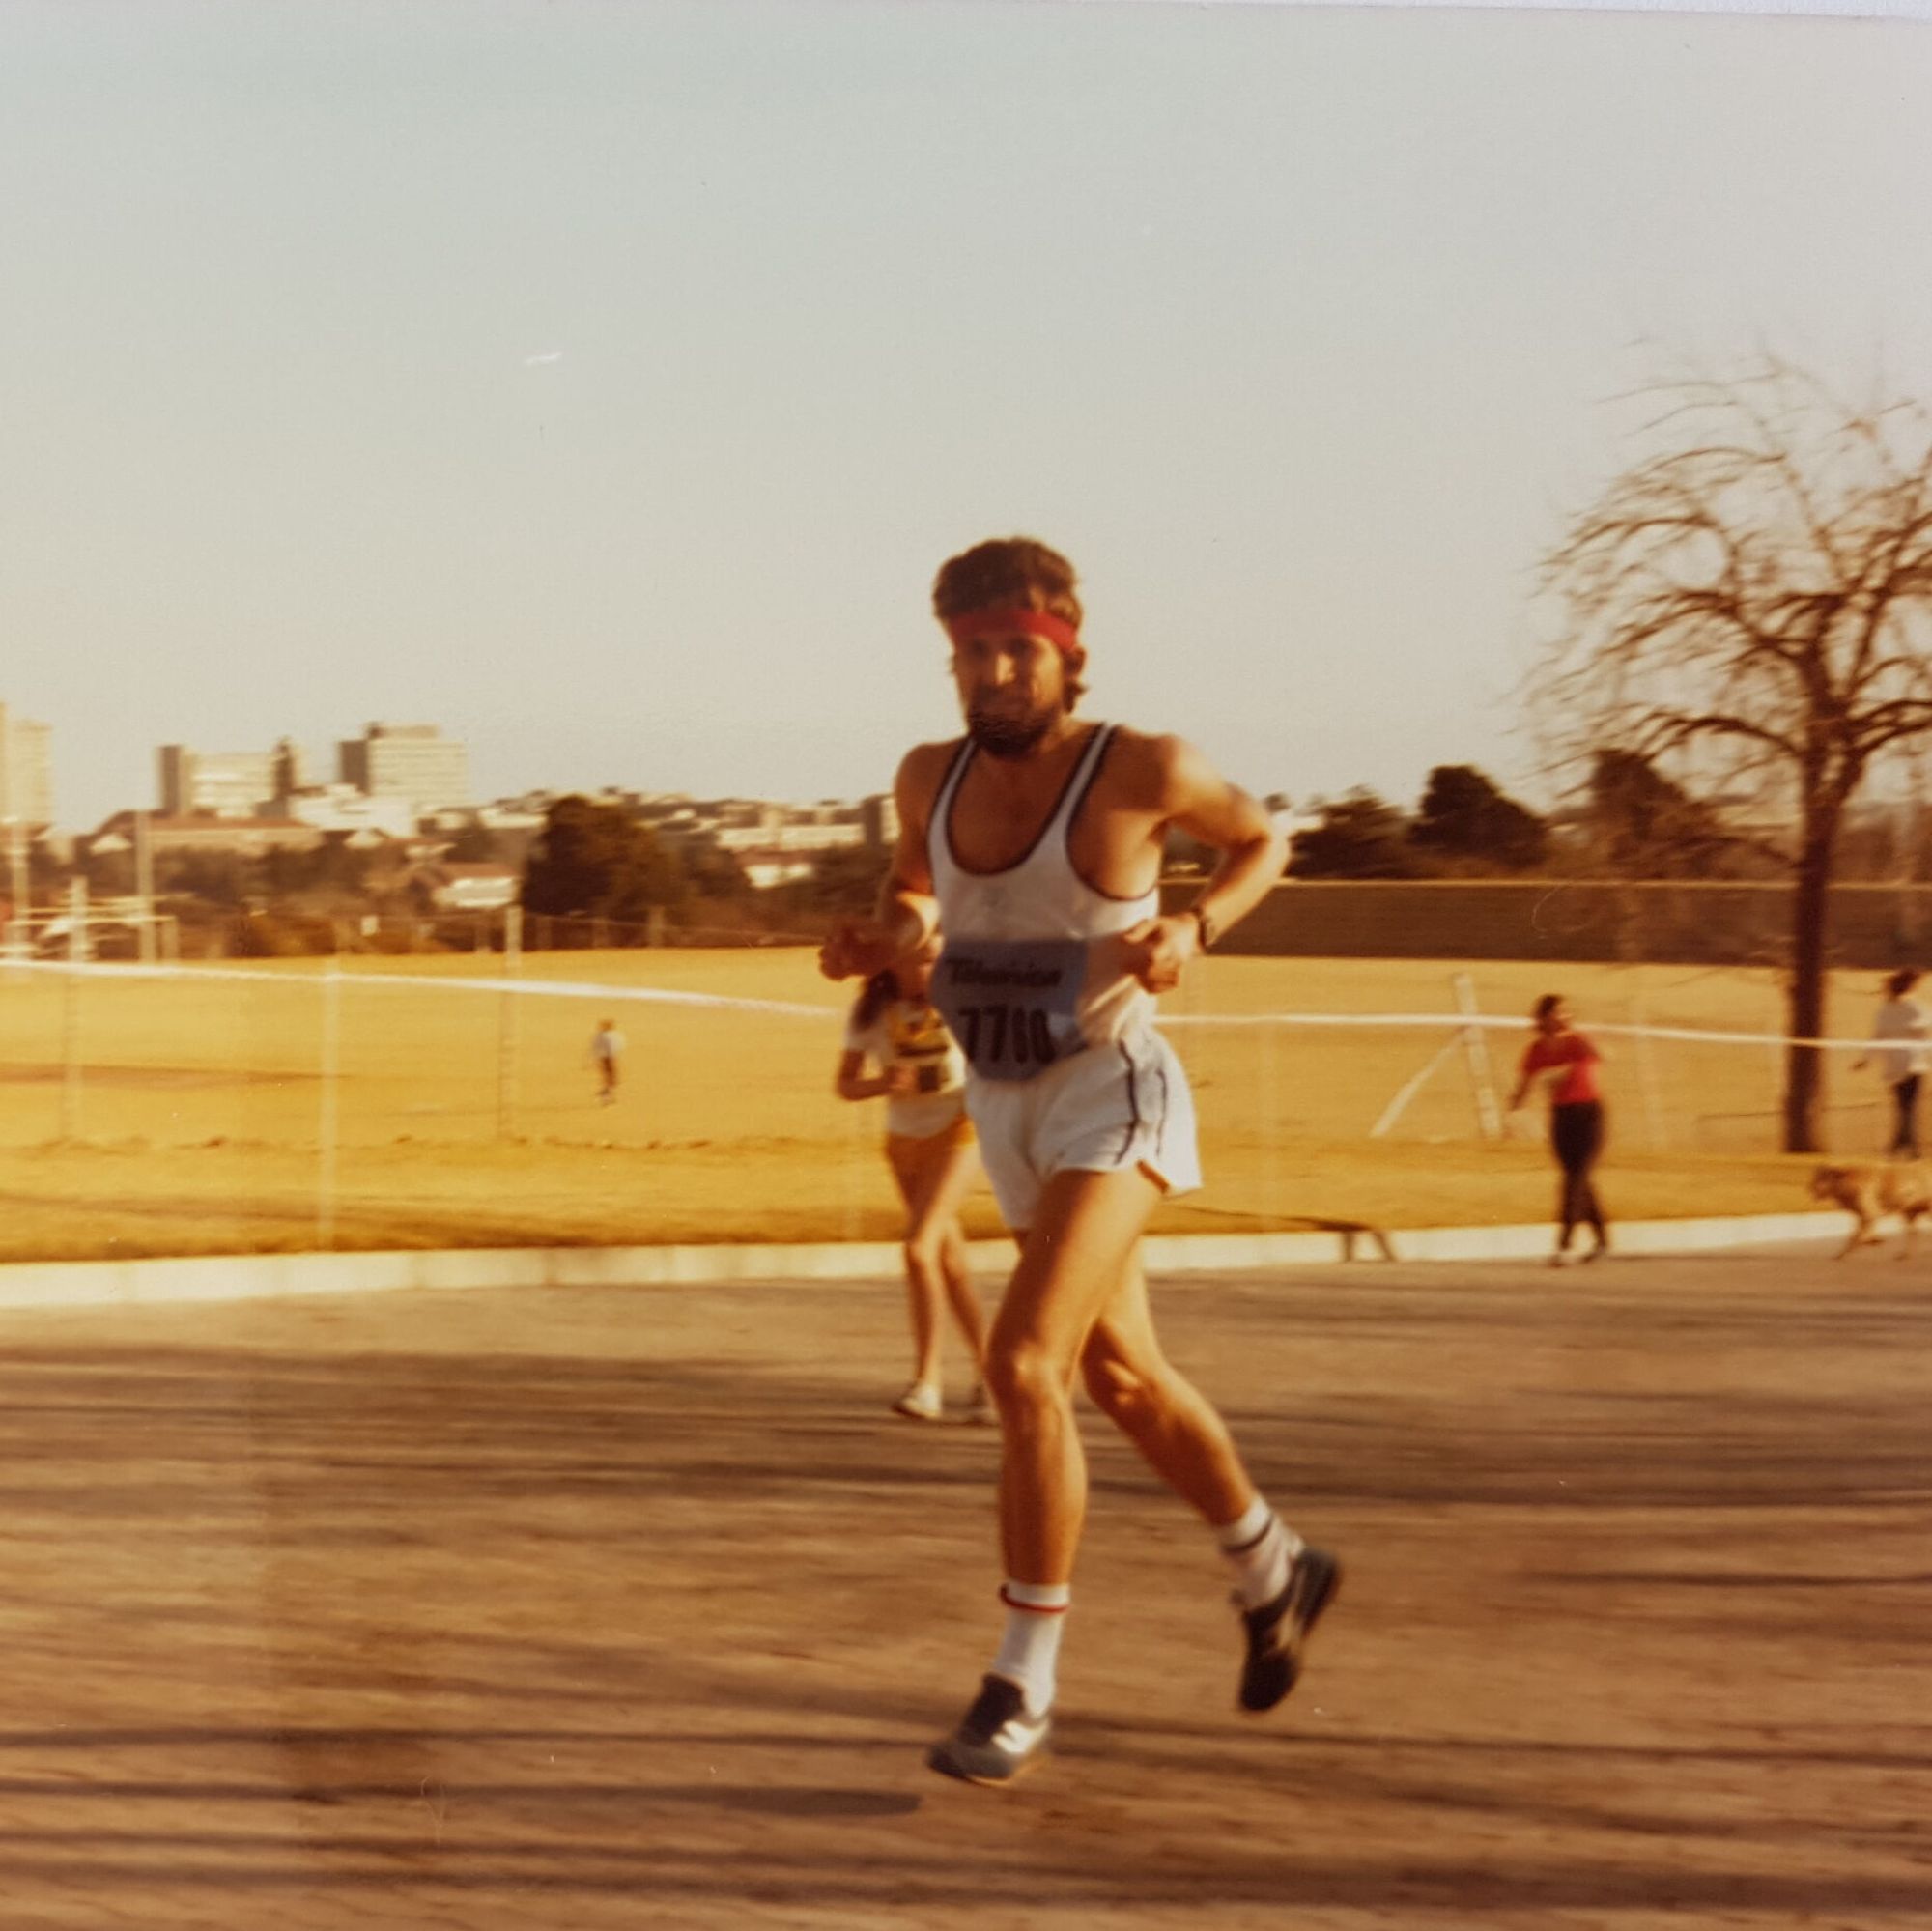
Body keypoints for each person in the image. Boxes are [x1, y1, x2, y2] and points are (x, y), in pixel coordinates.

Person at [819, 536, 1339, 1786]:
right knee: (1124, 1376)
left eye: (1014, 650)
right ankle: (1275, 1563)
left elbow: (1263, 840)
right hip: (1006, 1105)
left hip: (1116, 1088)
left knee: (1024, 1359)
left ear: (1068, 654)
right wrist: (878, 940)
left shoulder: (1142, 767)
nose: (991, 673)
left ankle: (1020, 1678)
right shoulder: (925, 776)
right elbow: (915, 898)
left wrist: (1195, 924)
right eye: (967, 652)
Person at [836, 938, 994, 1424]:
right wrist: (885, 1083)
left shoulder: (962, 1003)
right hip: (903, 1142)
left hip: (958, 1132)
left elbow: (994, 1062)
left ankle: (926, 1383)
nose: (932, 967)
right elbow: (844, 1085)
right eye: (923, 958)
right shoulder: (869, 1014)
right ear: (895, 958)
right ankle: (994, 1375)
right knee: (949, 1263)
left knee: (919, 1248)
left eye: (937, 959)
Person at [1507, 992, 1610, 1265]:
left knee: (1574, 1179)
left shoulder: (1578, 1041)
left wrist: (1578, 1036)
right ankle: (1603, 1240)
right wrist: (1513, 1109)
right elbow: (1525, 1084)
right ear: (1543, 1017)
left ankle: (1564, 1244)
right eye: (1557, 1012)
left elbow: (1599, 1058)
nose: (1563, 1017)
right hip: (1562, 1117)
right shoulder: (1536, 1050)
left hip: (1588, 1115)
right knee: (1576, 1178)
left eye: (1566, 1012)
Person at [1851, 968, 1930, 1159]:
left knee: (1906, 1108)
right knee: (1905, 1109)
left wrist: (1866, 1059)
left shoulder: (1911, 1008)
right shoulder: (1899, 1010)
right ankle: (1906, 1147)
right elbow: (1878, 1037)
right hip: (1899, 1068)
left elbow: (1922, 1031)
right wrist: (1865, 1059)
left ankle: (1901, 1147)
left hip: (1912, 1067)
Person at [589, 1018, 625, 1106]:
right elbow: (615, 1047)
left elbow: (593, 1047)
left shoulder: (599, 1035)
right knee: (611, 1078)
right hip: (608, 1058)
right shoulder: (608, 1036)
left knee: (608, 1078)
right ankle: (605, 1094)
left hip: (602, 1057)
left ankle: (608, 1095)